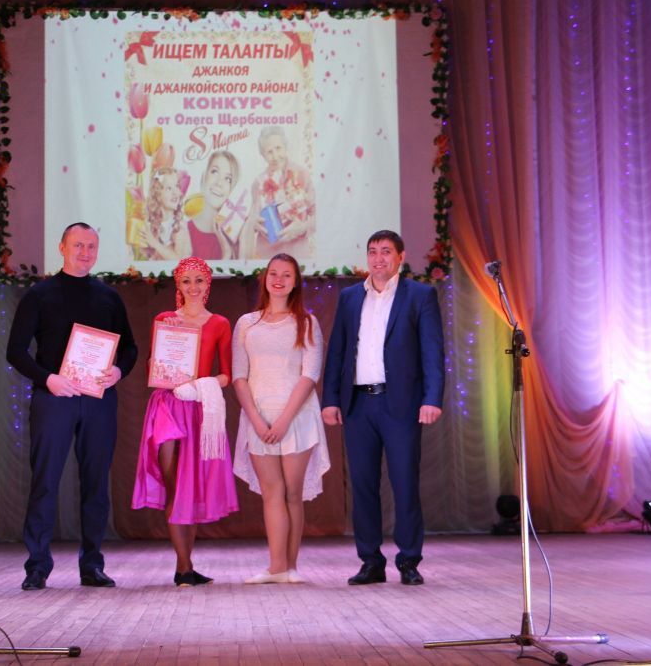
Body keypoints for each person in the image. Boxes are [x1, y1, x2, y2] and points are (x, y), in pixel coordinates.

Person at [6, 222, 138, 591]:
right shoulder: (39, 295)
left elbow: (130, 347)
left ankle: (92, 565)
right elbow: (15, 351)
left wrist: (118, 371)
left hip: (99, 401)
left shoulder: (109, 297)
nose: (85, 252)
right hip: (54, 398)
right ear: (62, 247)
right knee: (45, 481)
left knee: (96, 483)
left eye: (91, 246)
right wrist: (47, 378)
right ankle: (37, 566)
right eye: (78, 245)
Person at [321, 230, 444, 586]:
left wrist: (432, 398)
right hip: (358, 404)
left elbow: (432, 352)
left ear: (400, 257)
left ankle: (408, 560)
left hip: (400, 404)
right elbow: (338, 351)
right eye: (373, 252)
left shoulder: (419, 295)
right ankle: (370, 561)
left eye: (386, 252)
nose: (378, 259)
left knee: (404, 483)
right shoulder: (350, 297)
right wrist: (331, 399)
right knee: (362, 486)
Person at [132, 257, 239, 585]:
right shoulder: (164, 320)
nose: (193, 287)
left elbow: (227, 374)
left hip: (199, 409)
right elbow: (152, 365)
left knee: (190, 488)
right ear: (178, 285)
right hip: (168, 408)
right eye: (186, 281)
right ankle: (183, 566)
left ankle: (185, 568)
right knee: (175, 486)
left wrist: (200, 385)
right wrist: (161, 367)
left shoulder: (219, 323)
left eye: (199, 280)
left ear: (208, 284)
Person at [232, 254, 330, 584]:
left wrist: (285, 419)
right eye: (273, 273)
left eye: (286, 275)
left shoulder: (306, 322)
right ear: (265, 278)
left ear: (295, 281)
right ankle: (276, 568)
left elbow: (310, 374)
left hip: (297, 417)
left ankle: (291, 567)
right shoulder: (247, 323)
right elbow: (239, 376)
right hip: (258, 416)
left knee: (292, 493)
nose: (279, 279)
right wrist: (256, 420)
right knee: (271, 492)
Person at [241, 126, 315, 260]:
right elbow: (252, 217)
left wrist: (303, 227)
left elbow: (318, 217)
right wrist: (254, 223)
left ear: (285, 147)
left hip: (297, 255)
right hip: (267, 257)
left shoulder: (302, 174)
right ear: (263, 155)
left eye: (278, 148)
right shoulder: (258, 183)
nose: (275, 156)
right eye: (269, 152)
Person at [187, 150, 243, 260]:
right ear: (204, 176)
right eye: (214, 172)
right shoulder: (183, 231)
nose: (219, 183)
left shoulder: (235, 237)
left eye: (228, 179)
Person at [142, 167, 191, 260]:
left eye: (177, 186)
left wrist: (154, 243)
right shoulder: (152, 222)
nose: (176, 193)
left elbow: (177, 260)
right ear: (158, 194)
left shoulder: (178, 226)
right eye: (169, 188)